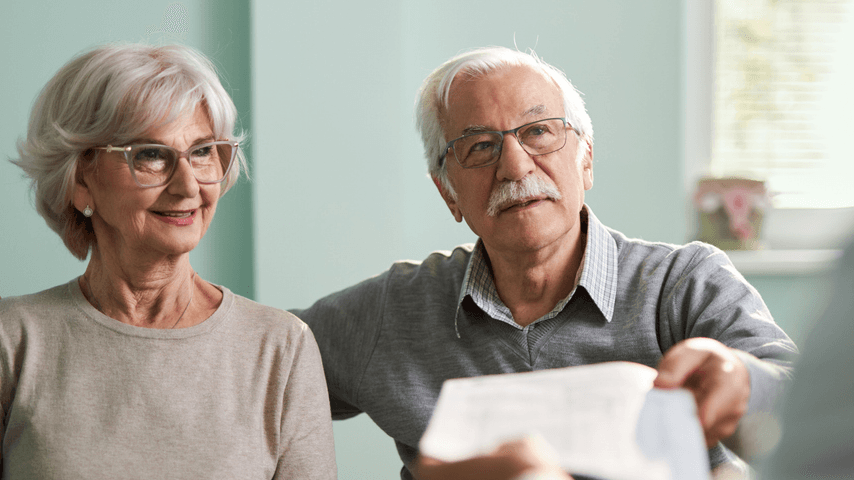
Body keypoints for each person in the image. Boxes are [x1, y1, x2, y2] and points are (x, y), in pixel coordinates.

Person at [292, 46, 797, 480]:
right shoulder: (393, 309)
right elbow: (258, 361)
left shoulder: (684, 283)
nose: (514, 166)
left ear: (586, 160)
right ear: (448, 192)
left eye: (538, 132)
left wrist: (745, 381)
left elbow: (810, 409)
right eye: (481, 146)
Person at [0, 43, 336, 479]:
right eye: (151, 155)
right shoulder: (12, 341)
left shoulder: (281, 348)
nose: (187, 186)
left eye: (201, 151)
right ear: (81, 179)